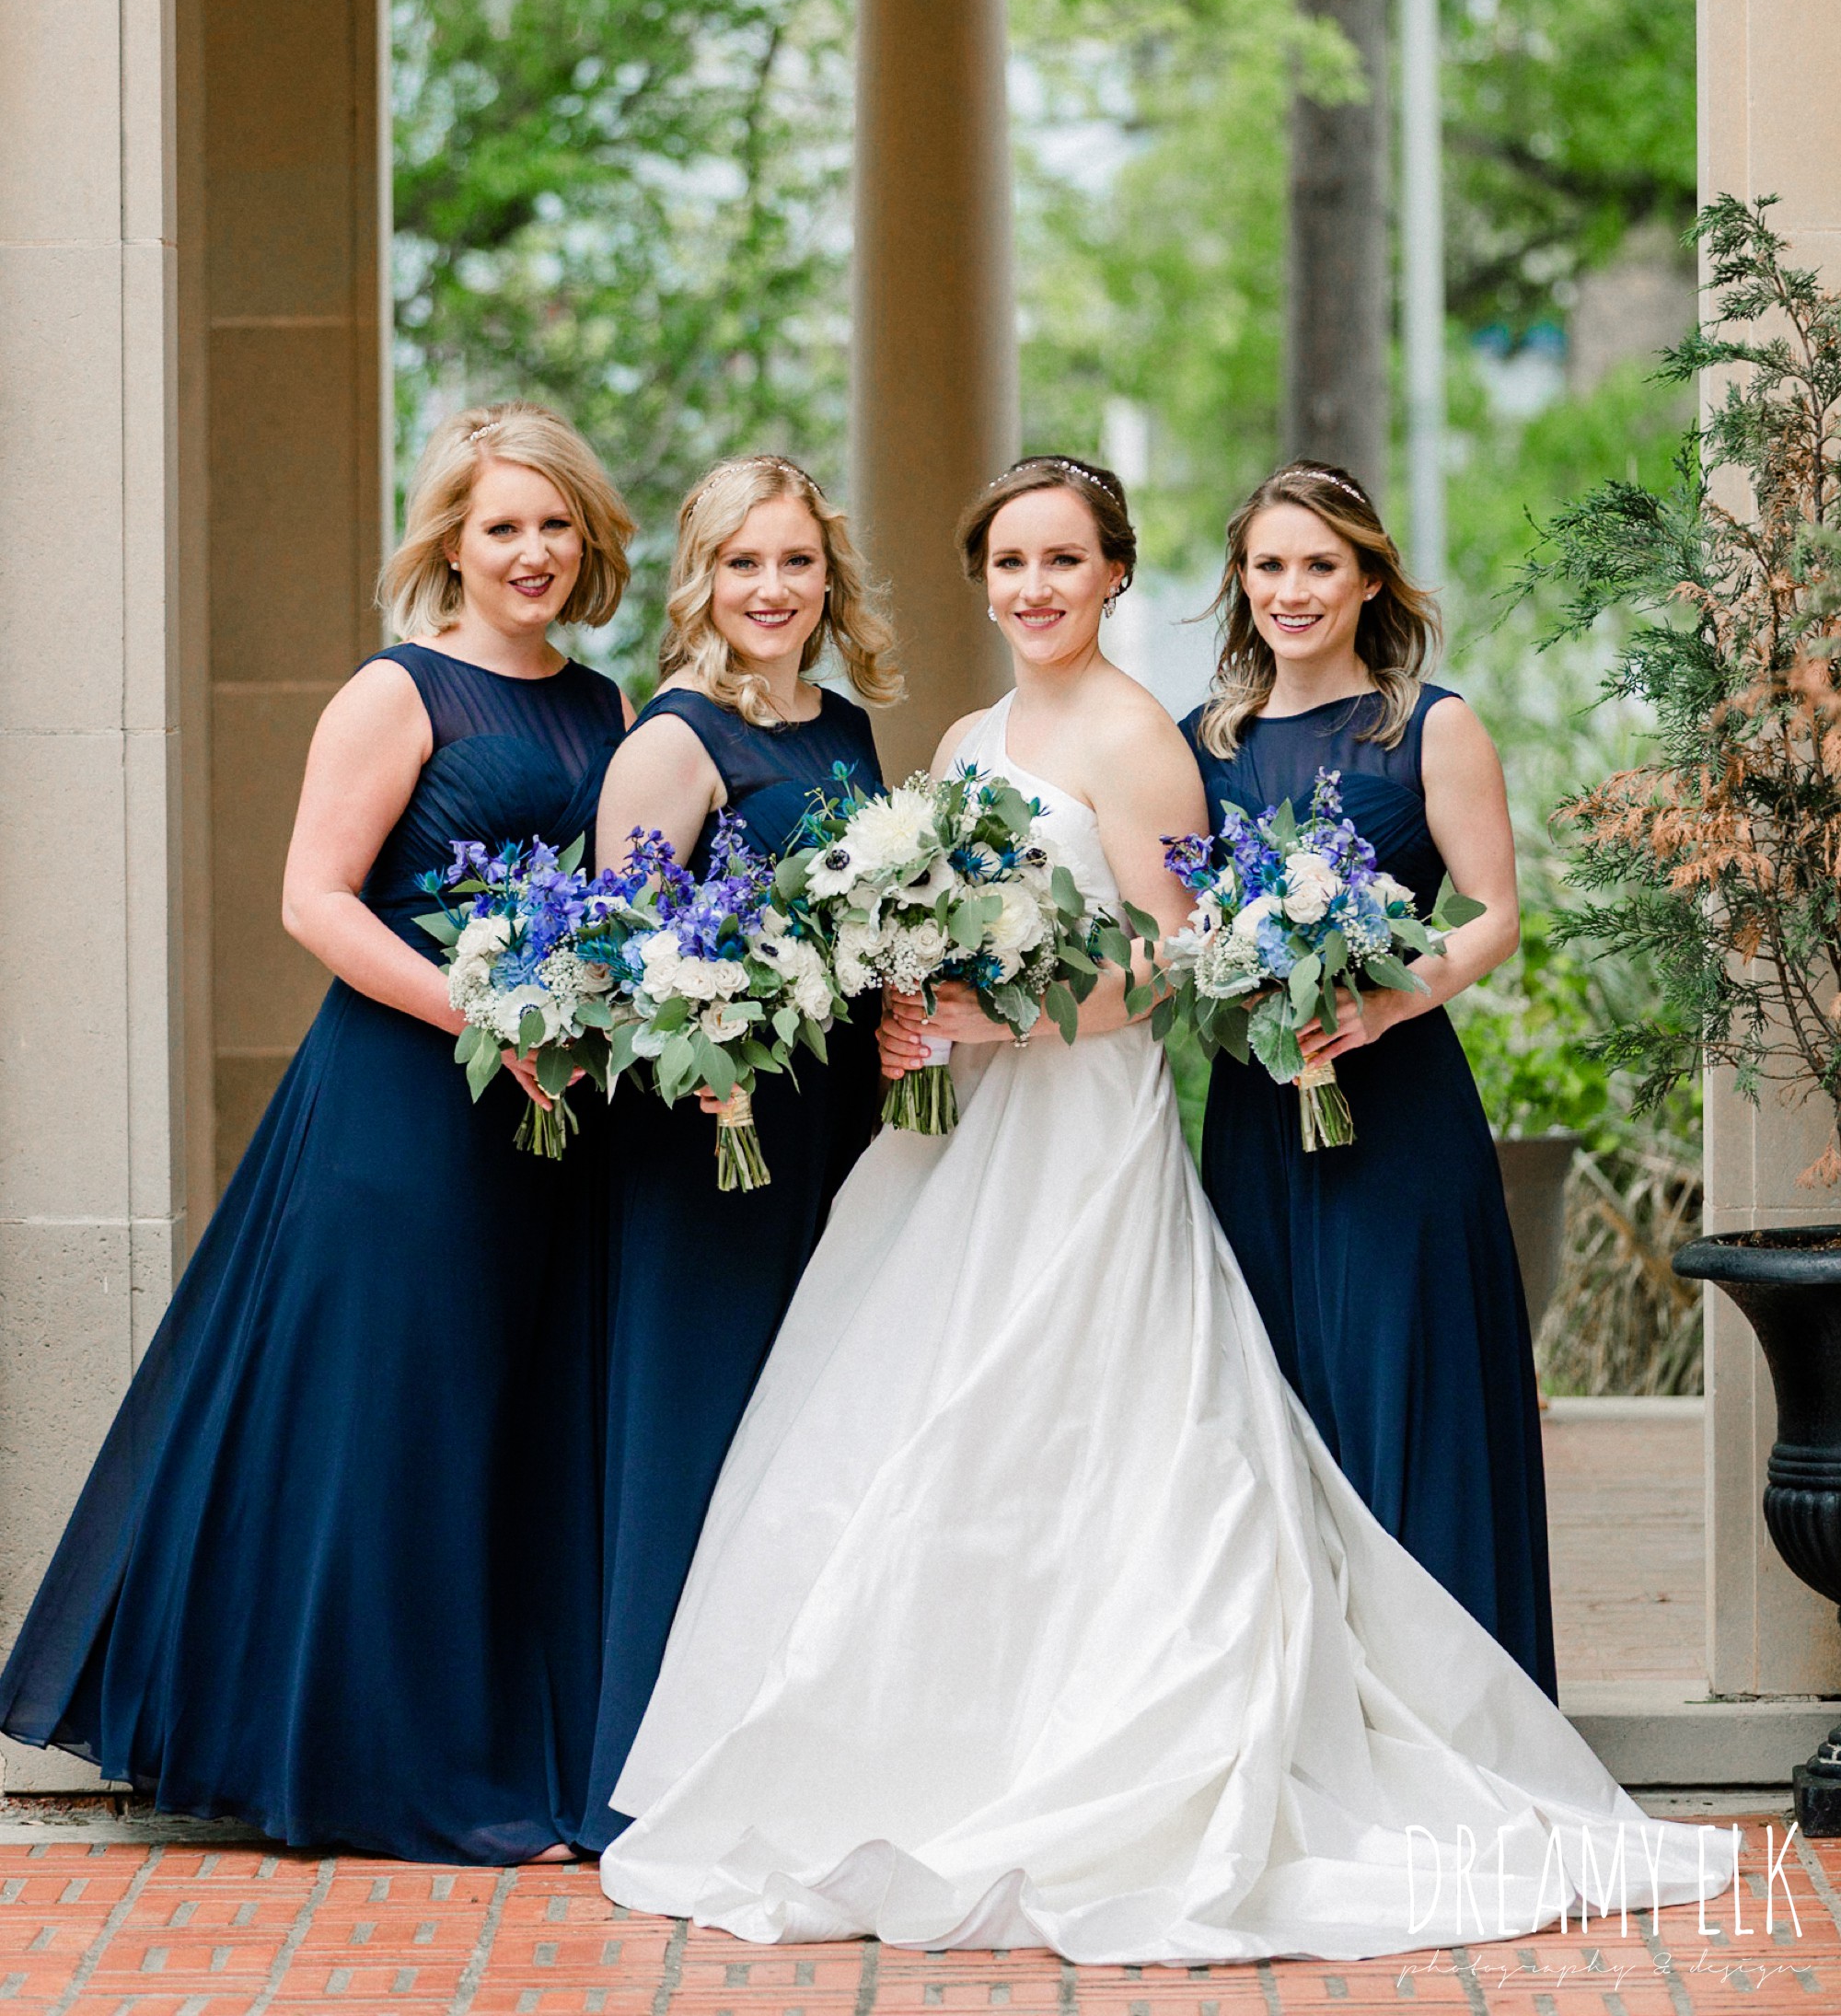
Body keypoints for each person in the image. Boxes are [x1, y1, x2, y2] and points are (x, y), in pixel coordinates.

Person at [596, 455, 1717, 1962]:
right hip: (957, 1137)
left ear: (1116, 574)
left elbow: (1177, 963)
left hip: (1081, 1127)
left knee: (1079, 1424)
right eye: (1010, 563)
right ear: (984, 578)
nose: (1037, 587)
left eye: (1066, 560)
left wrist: (1000, 1020)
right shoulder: (967, 733)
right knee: (910, 1423)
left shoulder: (1142, 739)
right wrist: (908, 1003)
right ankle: (932, 1743)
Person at [0, 402, 635, 1861]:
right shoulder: (397, 692)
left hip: (552, 1121)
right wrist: (485, 1019)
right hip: (404, 1102)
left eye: (555, 525)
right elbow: (316, 899)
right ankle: (380, 1768)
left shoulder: (609, 708)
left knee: (509, 1417)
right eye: (501, 528)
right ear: (451, 545)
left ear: (591, 537)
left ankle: (506, 1748)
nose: (531, 552)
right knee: (394, 1413)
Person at [1180, 459, 1553, 1694]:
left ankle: (1452, 1711)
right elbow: (1177, 926)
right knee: (1277, 1394)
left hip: (1397, 1115)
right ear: (1242, 580)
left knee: (1409, 1384)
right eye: (1270, 564)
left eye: (1320, 565)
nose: (1293, 589)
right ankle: (1311, 1711)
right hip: (1257, 1114)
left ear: (1368, 577)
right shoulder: (1205, 745)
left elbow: (1496, 912)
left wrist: (1388, 997)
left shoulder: (1428, 726)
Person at [585, 453, 898, 1831]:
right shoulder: (674, 738)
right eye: (744, 562)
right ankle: (658, 1774)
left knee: (815, 1429)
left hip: (836, 1122)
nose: (772, 588)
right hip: (711, 1133)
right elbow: (620, 962)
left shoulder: (845, 728)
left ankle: (790, 1749)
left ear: (830, 575)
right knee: (704, 1424)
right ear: (702, 579)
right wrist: (708, 1062)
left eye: (796, 561)